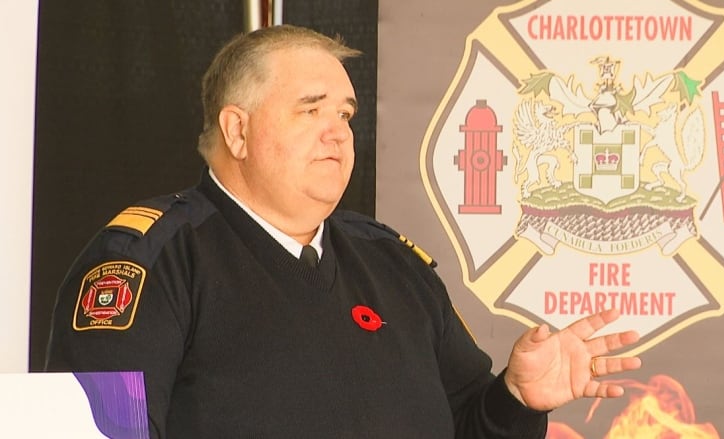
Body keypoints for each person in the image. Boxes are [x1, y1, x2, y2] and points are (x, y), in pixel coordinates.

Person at [45, 24, 641, 439]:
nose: (338, 133)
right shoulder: (149, 261)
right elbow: (100, 433)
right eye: (311, 109)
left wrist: (513, 398)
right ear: (236, 131)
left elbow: (470, 424)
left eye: (346, 114)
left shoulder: (393, 264)